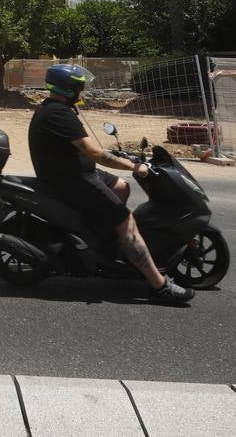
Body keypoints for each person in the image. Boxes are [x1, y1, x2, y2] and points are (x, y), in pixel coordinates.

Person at [27, 63, 194, 305]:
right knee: (128, 224)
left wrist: (122, 155)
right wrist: (134, 166)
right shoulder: (58, 114)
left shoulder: (55, 108)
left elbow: (83, 147)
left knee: (122, 187)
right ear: (68, 88)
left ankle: (105, 244)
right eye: (79, 87)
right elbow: (95, 153)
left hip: (78, 173)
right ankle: (159, 286)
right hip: (72, 181)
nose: (82, 91)